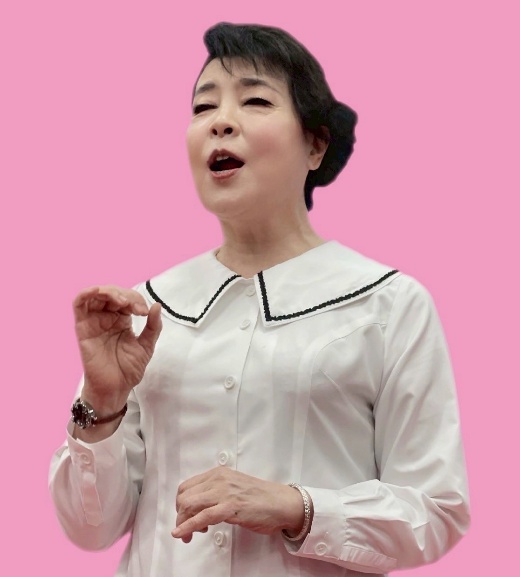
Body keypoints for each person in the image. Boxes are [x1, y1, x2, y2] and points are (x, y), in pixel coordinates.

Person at [49, 22, 470, 577]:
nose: (220, 121)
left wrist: (298, 507)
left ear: (315, 144)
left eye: (255, 100)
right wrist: (101, 404)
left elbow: (434, 510)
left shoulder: (389, 305)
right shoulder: (146, 310)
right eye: (203, 107)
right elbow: (90, 529)